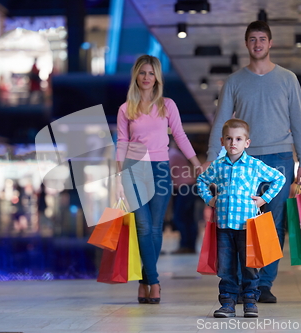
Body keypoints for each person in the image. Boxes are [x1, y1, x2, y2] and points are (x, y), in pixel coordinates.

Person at [201, 20, 301, 303]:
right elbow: (221, 124)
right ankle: (238, 285)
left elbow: (299, 123)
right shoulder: (235, 81)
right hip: (241, 160)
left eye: (262, 39)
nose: (258, 44)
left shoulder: (287, 79)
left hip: (280, 159)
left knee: (274, 224)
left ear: (270, 43)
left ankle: (263, 284)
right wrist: (213, 162)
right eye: (252, 39)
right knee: (239, 223)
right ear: (246, 44)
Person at [115, 55, 202, 304]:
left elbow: (180, 135)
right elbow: (122, 142)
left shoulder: (167, 105)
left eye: (151, 73)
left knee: (155, 227)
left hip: (160, 170)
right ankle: (154, 282)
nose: (146, 77)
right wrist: (119, 176)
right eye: (142, 73)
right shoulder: (126, 109)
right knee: (143, 226)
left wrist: (195, 163)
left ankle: (145, 281)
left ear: (157, 78)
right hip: (134, 169)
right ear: (136, 76)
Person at [197, 119, 286, 318]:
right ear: (222, 141)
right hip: (223, 227)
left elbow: (279, 178)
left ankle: (250, 302)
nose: (233, 143)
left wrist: (264, 199)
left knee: (250, 266)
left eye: (238, 139)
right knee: (226, 267)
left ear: (247, 143)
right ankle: (227, 303)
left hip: (248, 227)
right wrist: (210, 200)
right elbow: (201, 180)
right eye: (229, 138)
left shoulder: (254, 165)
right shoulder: (218, 166)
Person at [168, 141, 199, 254]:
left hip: (184, 188)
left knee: (180, 218)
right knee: (188, 218)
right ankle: (190, 246)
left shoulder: (172, 154)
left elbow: (166, 172)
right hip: (189, 187)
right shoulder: (177, 154)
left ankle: (185, 245)